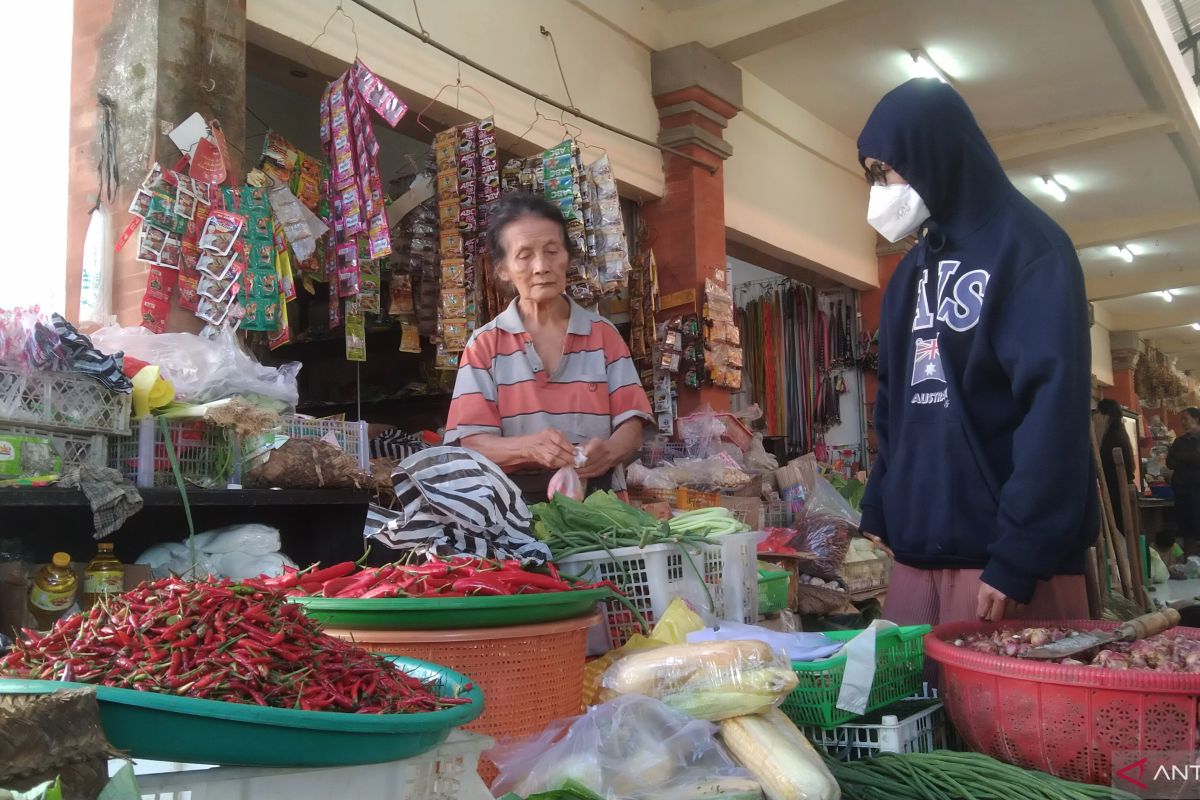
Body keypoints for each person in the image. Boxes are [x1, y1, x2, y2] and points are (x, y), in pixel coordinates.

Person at [856, 78, 1098, 625]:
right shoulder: (909, 275)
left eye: (885, 171)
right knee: (920, 709)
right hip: (917, 555)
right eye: (870, 175)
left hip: (1007, 565)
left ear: (932, 154)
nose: (879, 189)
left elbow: (1053, 408)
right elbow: (894, 400)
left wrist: (1020, 551)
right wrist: (880, 501)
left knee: (1021, 710)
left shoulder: (1033, 249)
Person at [443, 194, 653, 502]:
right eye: (525, 255)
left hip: (601, 508)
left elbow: (632, 426)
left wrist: (607, 453)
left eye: (552, 251)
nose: (542, 266)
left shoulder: (603, 335)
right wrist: (528, 448)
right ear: (502, 269)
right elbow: (470, 443)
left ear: (567, 257)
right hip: (512, 517)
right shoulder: (485, 345)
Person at [1094, 399, 1135, 532]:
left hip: (1116, 492)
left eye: (1097, 413)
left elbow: (1103, 465)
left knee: (1119, 529)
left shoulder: (1113, 437)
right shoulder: (1119, 433)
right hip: (1120, 490)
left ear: (1105, 415)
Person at [1167, 408, 1200, 556]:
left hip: (1197, 491)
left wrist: (1181, 457)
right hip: (1181, 492)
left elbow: (1197, 458)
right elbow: (1170, 462)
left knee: (1196, 526)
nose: (1183, 422)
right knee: (1185, 529)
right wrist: (1189, 457)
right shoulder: (1179, 441)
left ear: (1196, 419)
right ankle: (1189, 560)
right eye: (1182, 419)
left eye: (1186, 419)